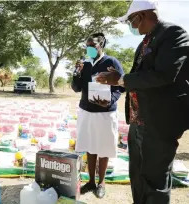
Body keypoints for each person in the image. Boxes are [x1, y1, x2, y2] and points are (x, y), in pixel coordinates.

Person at [96, 0, 189, 203]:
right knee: (137, 176)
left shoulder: (173, 34)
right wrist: (118, 81)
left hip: (160, 122)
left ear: (142, 15)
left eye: (131, 20)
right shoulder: (144, 42)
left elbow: (164, 75)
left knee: (154, 181)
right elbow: (140, 80)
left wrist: (122, 79)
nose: (132, 25)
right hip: (138, 122)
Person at [71, 33, 125, 198]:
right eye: (87, 46)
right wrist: (76, 73)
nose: (89, 49)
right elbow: (76, 88)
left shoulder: (111, 62)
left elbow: (121, 86)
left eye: (92, 46)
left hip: (105, 113)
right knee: (90, 146)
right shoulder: (85, 64)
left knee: (104, 147)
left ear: (101, 45)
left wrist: (109, 101)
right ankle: (91, 181)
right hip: (87, 111)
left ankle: (101, 183)